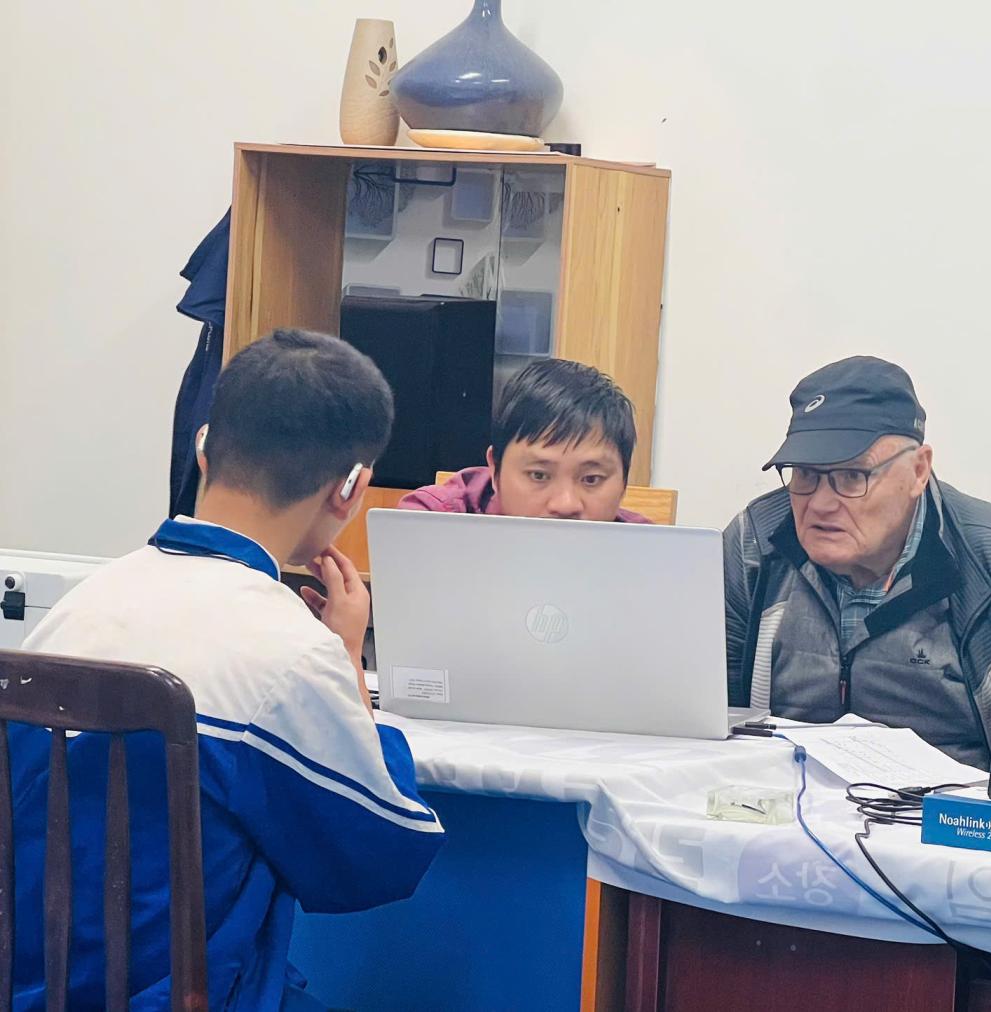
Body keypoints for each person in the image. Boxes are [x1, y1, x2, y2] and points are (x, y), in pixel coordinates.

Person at [20, 329, 444, 1009]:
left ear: (204, 447)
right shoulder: (291, 653)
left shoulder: (82, 604)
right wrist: (345, 662)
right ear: (351, 488)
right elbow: (380, 859)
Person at [723, 356, 991, 774]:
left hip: (953, 808)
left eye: (851, 476)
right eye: (805, 475)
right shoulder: (754, 542)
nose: (821, 503)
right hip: (781, 799)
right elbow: (713, 719)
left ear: (919, 470)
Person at [401, 358, 650, 523]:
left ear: (624, 482)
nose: (565, 505)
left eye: (591, 479)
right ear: (495, 469)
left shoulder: (648, 555)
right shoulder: (431, 521)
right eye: (539, 475)